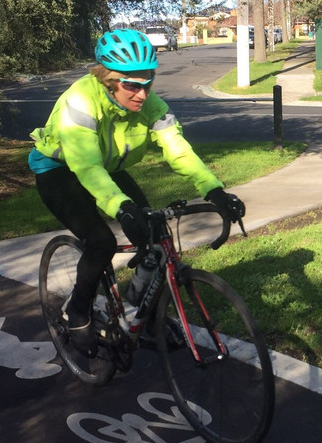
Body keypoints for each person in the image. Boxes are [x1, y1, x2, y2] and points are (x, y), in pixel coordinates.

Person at [29, 28, 244, 356]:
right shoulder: (80, 101)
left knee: (156, 234)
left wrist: (214, 190)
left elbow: (178, 149)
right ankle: (77, 312)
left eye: (148, 82)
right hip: (59, 171)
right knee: (101, 241)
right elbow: (86, 167)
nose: (142, 94)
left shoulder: (150, 105)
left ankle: (137, 316)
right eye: (132, 85)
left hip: (108, 169)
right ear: (106, 79)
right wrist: (121, 207)